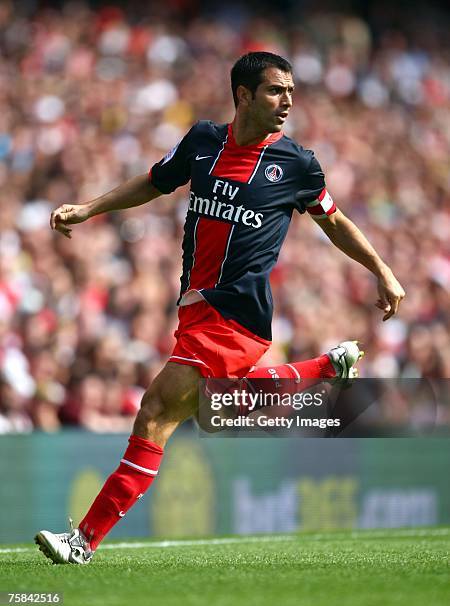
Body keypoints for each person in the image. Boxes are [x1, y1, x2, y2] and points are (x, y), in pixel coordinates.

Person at [35, 52, 405, 564]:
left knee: (158, 409)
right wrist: (92, 207)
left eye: (292, 92)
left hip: (237, 315)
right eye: (276, 91)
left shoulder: (296, 163)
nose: (288, 101)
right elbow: (155, 180)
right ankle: (326, 366)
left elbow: (334, 220)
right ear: (244, 95)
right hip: (195, 310)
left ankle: (83, 543)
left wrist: (382, 270)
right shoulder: (204, 141)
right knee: (213, 406)